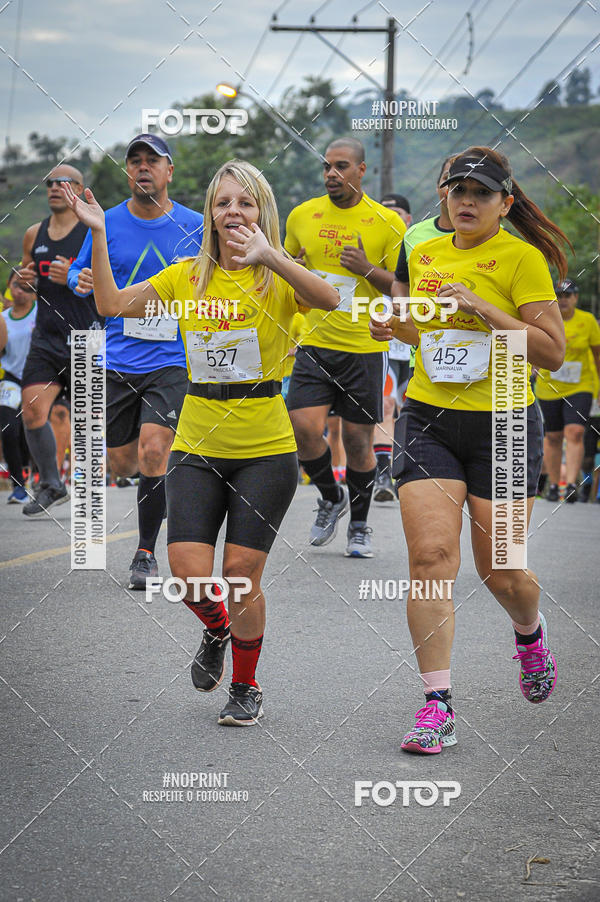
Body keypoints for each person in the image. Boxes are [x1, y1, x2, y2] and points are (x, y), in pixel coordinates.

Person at [62, 159, 338, 725]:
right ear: (209, 213)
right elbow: (112, 306)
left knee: (240, 573)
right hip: (197, 437)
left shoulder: (279, 274)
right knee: (187, 571)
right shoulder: (186, 274)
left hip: (264, 444)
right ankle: (216, 629)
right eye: (222, 202)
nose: (232, 212)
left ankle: (246, 684)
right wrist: (96, 232)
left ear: (262, 211)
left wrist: (271, 258)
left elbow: (330, 300)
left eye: (245, 202)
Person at [370, 146, 570, 754]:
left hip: (506, 420)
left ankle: (529, 633)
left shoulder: (522, 259)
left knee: (501, 570)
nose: (466, 201)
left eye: (481, 193)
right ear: (444, 196)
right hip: (429, 417)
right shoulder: (423, 250)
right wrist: (395, 323)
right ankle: (437, 702)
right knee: (432, 558)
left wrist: (484, 307)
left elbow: (551, 351)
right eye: (458, 190)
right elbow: (426, 328)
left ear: (505, 203)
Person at [68, 134, 204, 589]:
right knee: (123, 461)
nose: (142, 168)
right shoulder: (103, 221)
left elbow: (222, 272)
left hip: (172, 357)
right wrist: (79, 277)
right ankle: (142, 488)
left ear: (169, 172)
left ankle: (145, 553)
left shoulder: (196, 224)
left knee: (153, 449)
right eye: (135, 162)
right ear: (128, 172)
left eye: (152, 161)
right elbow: (77, 269)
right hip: (117, 358)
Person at [285, 137, 406, 557]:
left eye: (340, 166)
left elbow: (400, 286)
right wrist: (295, 269)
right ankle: (330, 495)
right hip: (315, 341)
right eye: (326, 167)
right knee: (302, 427)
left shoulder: (387, 222)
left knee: (357, 441)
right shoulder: (302, 216)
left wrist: (367, 269)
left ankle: (358, 524)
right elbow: (285, 271)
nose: (331, 174)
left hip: (365, 347)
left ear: (361, 170)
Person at [18, 164, 102, 517]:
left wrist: (73, 273)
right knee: (33, 408)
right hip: (47, 336)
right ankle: (51, 483)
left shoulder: (93, 232)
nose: (55, 187)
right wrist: (26, 281)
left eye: (64, 182)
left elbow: (111, 278)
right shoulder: (33, 234)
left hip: (87, 335)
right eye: (50, 182)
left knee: (87, 424)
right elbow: (26, 277)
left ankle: (92, 494)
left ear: (80, 190)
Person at [535, 279, 600, 502]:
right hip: (549, 386)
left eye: (568, 295)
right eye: (559, 295)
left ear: (576, 298)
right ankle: (553, 485)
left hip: (581, 385)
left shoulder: (588, 320)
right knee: (553, 436)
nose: (563, 300)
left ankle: (571, 483)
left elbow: (597, 355)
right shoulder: (543, 317)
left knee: (575, 432)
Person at [0, 270, 37, 503]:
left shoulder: (42, 313)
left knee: (28, 431)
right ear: (9, 287)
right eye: (16, 285)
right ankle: (18, 486)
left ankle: (38, 475)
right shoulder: (3, 318)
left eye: (26, 287)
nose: (20, 291)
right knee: (8, 427)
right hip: (12, 378)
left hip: (38, 379)